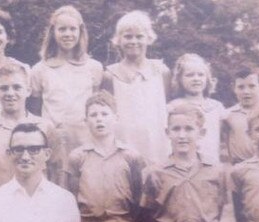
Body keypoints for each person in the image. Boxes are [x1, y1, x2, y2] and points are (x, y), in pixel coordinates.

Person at [140, 103, 227, 222]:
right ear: (167, 132)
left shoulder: (215, 171)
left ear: (201, 133)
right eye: (176, 129)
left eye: (189, 129)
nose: (182, 135)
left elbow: (219, 206)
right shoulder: (155, 172)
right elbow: (148, 217)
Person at [66, 91, 145, 222]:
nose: (99, 120)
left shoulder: (131, 156)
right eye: (93, 115)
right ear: (86, 120)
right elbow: (71, 196)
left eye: (104, 114)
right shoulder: (77, 157)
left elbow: (137, 198)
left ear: (115, 118)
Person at [0, 61, 63, 215]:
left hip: (36, 207)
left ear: (28, 91)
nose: (10, 93)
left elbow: (56, 170)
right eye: (4, 88)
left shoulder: (45, 127)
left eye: (17, 87)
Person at [30, 5, 103, 154]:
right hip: (52, 140)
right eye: (62, 29)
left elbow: (95, 106)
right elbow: (35, 109)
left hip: (85, 140)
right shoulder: (40, 69)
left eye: (72, 29)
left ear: (80, 31)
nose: (67, 34)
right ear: (53, 32)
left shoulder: (94, 67)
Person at [102, 10, 170, 165]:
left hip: (157, 145)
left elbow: (166, 108)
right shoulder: (110, 75)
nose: (134, 41)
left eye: (139, 36)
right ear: (118, 40)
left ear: (149, 38)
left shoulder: (162, 71)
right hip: (124, 145)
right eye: (127, 36)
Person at [168, 53, 226, 163]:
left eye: (200, 75)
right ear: (179, 79)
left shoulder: (217, 107)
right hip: (183, 166)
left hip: (211, 166)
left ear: (207, 78)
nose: (196, 79)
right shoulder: (173, 107)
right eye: (190, 75)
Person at [222, 65, 259, 165]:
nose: (246, 92)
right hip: (239, 167)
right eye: (241, 87)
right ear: (234, 88)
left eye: (252, 86)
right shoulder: (227, 114)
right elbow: (225, 142)